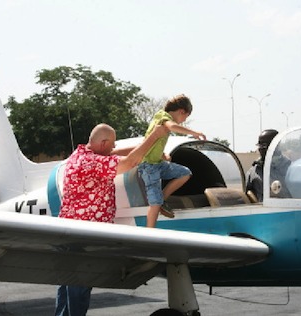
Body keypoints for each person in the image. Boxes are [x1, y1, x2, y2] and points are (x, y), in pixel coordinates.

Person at [55, 122, 169, 316]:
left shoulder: (80, 153)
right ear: (103, 143)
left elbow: (115, 154)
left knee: (69, 287)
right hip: (84, 236)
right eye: (112, 144)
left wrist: (151, 148)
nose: (114, 148)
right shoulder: (91, 163)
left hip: (72, 234)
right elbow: (128, 163)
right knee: (80, 287)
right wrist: (154, 136)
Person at [138, 94, 206, 228]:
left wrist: (163, 155)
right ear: (182, 111)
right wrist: (194, 133)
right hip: (148, 166)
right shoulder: (163, 117)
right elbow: (172, 126)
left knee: (185, 173)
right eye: (185, 117)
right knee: (154, 203)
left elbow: (153, 143)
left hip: (157, 163)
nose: (183, 121)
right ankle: (149, 232)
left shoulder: (162, 119)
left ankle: (162, 199)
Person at [245, 129, 279, 201]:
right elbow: (246, 197)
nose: (260, 149)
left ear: (277, 145)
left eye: (264, 145)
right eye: (259, 145)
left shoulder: (289, 168)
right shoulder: (253, 172)